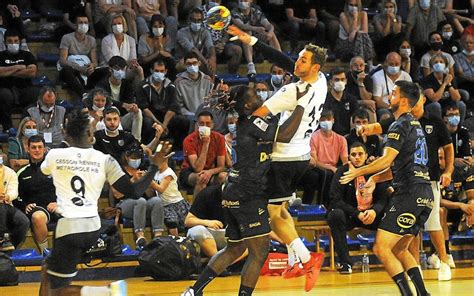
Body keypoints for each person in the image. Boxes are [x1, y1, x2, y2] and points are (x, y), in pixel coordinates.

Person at [182, 83, 313, 296]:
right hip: (247, 193)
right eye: (254, 94)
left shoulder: (253, 121)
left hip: (233, 190)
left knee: (234, 248)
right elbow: (286, 135)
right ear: (246, 104)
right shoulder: (252, 123)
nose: (259, 95)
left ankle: (194, 291)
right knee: (259, 252)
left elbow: (277, 118)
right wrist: (301, 105)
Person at [228, 25, 326, 292]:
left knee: (273, 214)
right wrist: (254, 41)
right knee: (281, 210)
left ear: (314, 66)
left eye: (303, 60)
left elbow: (269, 122)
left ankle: (307, 258)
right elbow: (284, 60)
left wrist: (251, 124)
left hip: (284, 158)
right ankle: (296, 258)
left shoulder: (291, 93)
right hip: (302, 156)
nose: (297, 62)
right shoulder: (322, 80)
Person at [38, 109, 173, 296]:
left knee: (57, 290)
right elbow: (134, 191)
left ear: (68, 134)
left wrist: (66, 142)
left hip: (69, 228)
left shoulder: (54, 155)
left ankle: (109, 291)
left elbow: (43, 171)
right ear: (88, 134)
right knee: (48, 269)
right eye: (91, 129)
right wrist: (154, 167)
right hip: (93, 228)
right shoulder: (104, 159)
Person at [340, 81, 433, 296]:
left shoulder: (400, 125)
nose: (388, 96)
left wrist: (358, 172)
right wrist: (376, 178)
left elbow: (386, 160)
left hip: (409, 193)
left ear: (402, 100)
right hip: (424, 193)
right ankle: (423, 294)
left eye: (393, 93)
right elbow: (398, 166)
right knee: (400, 249)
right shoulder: (414, 125)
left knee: (381, 248)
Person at [328, 142, 390, 273]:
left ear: (366, 155)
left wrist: (374, 211)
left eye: (360, 154)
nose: (357, 157)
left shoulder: (375, 170)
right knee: (335, 215)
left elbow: (385, 196)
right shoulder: (342, 172)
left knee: (394, 212)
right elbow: (335, 200)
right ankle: (345, 263)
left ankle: (392, 258)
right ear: (349, 156)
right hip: (351, 215)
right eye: (353, 154)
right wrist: (356, 213)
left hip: (372, 215)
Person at [112, 144, 165, 249]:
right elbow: (117, 194)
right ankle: (140, 237)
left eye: (138, 158)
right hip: (123, 204)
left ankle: (158, 236)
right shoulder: (119, 171)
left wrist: (147, 182)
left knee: (156, 201)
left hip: (143, 205)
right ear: (126, 157)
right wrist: (133, 180)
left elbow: (149, 194)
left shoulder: (142, 170)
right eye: (133, 158)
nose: (136, 160)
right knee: (140, 201)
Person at [17, 135, 58, 255]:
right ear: (27, 149)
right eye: (33, 147)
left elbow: (67, 190)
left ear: (45, 149)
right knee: (38, 217)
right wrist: (24, 206)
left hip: (57, 206)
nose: (37, 150)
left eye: (40, 147)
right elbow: (16, 197)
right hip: (37, 210)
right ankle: (44, 254)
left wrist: (58, 203)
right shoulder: (22, 173)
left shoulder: (55, 169)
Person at [135, 58, 189, 146]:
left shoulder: (170, 85)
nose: (159, 73)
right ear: (151, 70)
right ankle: (149, 147)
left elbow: (173, 107)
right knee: (147, 122)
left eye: (162, 71)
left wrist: (164, 125)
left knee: (183, 121)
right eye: (156, 71)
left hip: (166, 117)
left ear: (166, 71)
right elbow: (144, 108)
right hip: (151, 117)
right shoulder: (142, 85)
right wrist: (157, 122)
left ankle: (178, 147)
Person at [300, 109, 349, 205]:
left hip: (333, 168)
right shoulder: (313, 137)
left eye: (328, 119)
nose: (326, 122)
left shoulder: (341, 139)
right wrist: (332, 168)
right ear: (319, 121)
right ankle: (321, 204)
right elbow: (315, 161)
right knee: (325, 174)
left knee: (341, 174)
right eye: (323, 119)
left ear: (333, 120)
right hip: (317, 167)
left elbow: (345, 160)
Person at [178, 110, 227, 198]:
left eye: (208, 124)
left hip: (211, 170)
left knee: (223, 176)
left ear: (212, 125)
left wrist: (209, 172)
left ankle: (219, 208)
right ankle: (196, 210)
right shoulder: (189, 140)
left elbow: (221, 166)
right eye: (201, 124)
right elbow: (197, 168)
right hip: (190, 172)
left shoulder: (219, 138)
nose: (205, 126)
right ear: (197, 125)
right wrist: (206, 144)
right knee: (201, 178)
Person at [96, 56, 143, 141]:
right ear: (110, 69)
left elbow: (129, 102)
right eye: (117, 69)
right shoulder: (102, 84)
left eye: (122, 69)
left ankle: (136, 143)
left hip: (122, 118)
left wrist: (132, 107)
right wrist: (123, 105)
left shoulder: (127, 85)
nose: (120, 72)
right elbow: (105, 101)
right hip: (106, 119)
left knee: (138, 112)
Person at [0, 29, 39, 131]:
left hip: (24, 88)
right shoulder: (1, 56)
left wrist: (8, 71)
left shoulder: (27, 55)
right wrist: (18, 67)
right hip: (5, 88)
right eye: (10, 41)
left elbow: (32, 72)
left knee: (35, 93)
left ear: (19, 42)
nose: (13, 43)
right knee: (4, 95)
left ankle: (26, 125)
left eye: (16, 41)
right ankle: (7, 128)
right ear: (5, 42)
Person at [232, 0, 281, 76]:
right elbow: (242, 26)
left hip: (254, 38)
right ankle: (251, 67)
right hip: (237, 40)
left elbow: (268, 24)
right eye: (241, 0)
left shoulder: (255, 11)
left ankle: (281, 60)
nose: (242, 2)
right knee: (247, 33)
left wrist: (270, 31)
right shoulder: (234, 12)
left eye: (245, 0)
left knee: (271, 34)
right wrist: (256, 28)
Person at [439, 148, 474, 251]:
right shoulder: (432, 170)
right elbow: (438, 201)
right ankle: (445, 253)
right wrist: (460, 205)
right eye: (438, 158)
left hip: (460, 206)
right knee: (441, 211)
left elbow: (472, 196)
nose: (439, 162)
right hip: (441, 206)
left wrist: (471, 208)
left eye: (442, 158)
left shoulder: (463, 168)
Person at [58, 14, 99, 100]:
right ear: (75, 25)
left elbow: (95, 62)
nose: (83, 25)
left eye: (85, 23)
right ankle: (83, 94)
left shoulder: (92, 40)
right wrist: (79, 68)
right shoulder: (67, 38)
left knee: (101, 71)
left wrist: (92, 66)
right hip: (70, 67)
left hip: (85, 67)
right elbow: (62, 61)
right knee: (67, 70)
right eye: (80, 22)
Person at [152, 151, 189, 236]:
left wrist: (152, 183)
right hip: (165, 205)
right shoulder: (156, 173)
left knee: (186, 224)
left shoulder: (168, 173)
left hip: (176, 202)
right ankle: (175, 240)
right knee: (171, 222)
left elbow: (161, 189)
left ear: (165, 160)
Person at [185, 185, 227, 258]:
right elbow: (188, 221)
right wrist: (207, 222)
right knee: (198, 231)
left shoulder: (244, 196)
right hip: (208, 235)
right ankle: (218, 263)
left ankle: (224, 264)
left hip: (230, 237)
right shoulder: (208, 193)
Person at [101, 13, 143, 83]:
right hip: (110, 69)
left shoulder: (131, 40)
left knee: (139, 69)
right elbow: (112, 61)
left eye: (119, 23)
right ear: (111, 27)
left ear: (124, 25)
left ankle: (140, 91)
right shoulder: (106, 40)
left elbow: (133, 60)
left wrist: (133, 64)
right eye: (114, 24)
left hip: (125, 69)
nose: (117, 26)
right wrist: (127, 62)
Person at [0, 153, 30, 251]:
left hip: (6, 204)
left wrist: (7, 196)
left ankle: (10, 246)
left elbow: (14, 191)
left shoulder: (10, 172)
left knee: (23, 222)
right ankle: (3, 238)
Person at [421, 53, 464, 120]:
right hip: (433, 106)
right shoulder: (426, 80)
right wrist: (444, 84)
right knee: (436, 105)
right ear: (432, 66)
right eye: (436, 62)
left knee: (461, 105)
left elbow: (457, 98)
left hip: (448, 104)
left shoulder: (449, 77)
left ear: (445, 65)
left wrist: (449, 84)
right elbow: (434, 99)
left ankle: (459, 127)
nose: (439, 64)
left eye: (441, 62)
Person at [176, 8, 216, 76]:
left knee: (212, 63)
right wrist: (206, 62)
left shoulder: (205, 32)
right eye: (194, 20)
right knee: (181, 66)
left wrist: (212, 58)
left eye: (199, 20)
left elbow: (210, 47)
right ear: (189, 20)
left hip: (198, 59)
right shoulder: (181, 33)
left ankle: (212, 83)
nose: (196, 23)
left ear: (202, 21)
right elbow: (193, 50)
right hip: (184, 59)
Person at [175, 52, 214, 118]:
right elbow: (179, 105)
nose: (192, 66)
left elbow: (211, 101)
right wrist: (191, 115)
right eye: (189, 64)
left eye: (194, 63)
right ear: (185, 65)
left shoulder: (208, 80)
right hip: (188, 116)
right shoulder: (179, 82)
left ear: (199, 63)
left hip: (206, 115)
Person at [334, 0, 374, 64]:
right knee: (358, 35)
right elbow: (350, 34)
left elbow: (365, 32)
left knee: (361, 36)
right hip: (344, 43)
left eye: (355, 5)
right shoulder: (343, 15)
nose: (353, 7)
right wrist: (355, 18)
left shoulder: (363, 14)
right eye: (351, 5)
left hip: (360, 42)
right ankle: (365, 62)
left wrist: (355, 32)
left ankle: (366, 62)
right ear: (347, 6)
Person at [137, 13, 176, 79]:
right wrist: (158, 52)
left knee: (170, 63)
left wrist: (161, 50)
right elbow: (144, 60)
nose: (158, 29)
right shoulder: (143, 38)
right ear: (151, 27)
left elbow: (170, 56)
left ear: (164, 27)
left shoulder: (167, 38)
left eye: (160, 26)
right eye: (155, 26)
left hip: (163, 63)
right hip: (148, 64)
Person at [323, 67, 358, 136]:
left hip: (348, 136)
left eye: (342, 79)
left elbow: (355, 120)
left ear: (346, 81)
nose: (340, 82)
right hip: (330, 136)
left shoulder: (352, 100)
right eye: (336, 80)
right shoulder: (324, 100)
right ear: (331, 82)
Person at [345, 56, 376, 122]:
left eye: (361, 65)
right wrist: (362, 102)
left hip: (364, 106)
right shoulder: (346, 78)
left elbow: (367, 98)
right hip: (349, 105)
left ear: (364, 67)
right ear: (351, 68)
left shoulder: (368, 78)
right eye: (355, 65)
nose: (358, 68)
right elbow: (345, 99)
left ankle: (372, 132)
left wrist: (360, 83)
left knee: (371, 111)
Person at [453, 33, 474, 98]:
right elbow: (460, 73)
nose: (469, 45)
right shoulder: (456, 57)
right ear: (462, 44)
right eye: (466, 43)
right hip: (464, 83)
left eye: (471, 43)